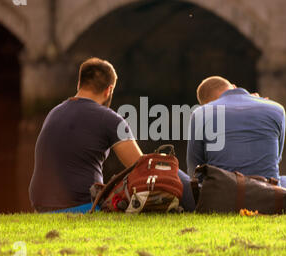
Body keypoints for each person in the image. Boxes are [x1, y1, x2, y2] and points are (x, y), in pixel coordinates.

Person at [29, 57, 195, 213]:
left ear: (79, 83)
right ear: (109, 90)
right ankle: (199, 199)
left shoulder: (54, 112)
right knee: (165, 171)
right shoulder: (108, 118)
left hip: (40, 206)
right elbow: (140, 167)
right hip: (82, 205)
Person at [186, 76, 286, 192]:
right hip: (269, 196)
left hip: (221, 198)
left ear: (207, 104)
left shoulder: (200, 114)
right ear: (234, 87)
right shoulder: (277, 109)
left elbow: (194, 171)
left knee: (172, 171)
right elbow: (276, 158)